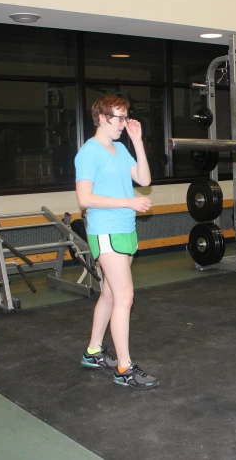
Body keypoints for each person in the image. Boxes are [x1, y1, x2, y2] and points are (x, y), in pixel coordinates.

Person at [74, 95, 159, 390]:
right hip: (106, 230)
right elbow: (84, 199)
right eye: (119, 118)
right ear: (101, 117)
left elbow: (144, 179)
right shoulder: (89, 153)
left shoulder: (121, 148)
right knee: (124, 297)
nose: (124, 123)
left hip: (125, 228)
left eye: (126, 117)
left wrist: (137, 141)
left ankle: (93, 351)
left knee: (110, 295)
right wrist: (128, 201)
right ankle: (124, 368)